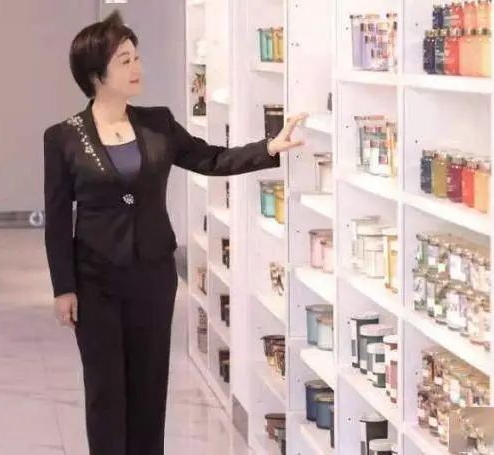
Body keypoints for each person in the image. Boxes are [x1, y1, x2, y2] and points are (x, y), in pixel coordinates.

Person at [43, 11, 305, 455]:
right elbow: (55, 217)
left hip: (152, 275)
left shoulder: (157, 123)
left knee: (149, 388)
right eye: (124, 60)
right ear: (95, 74)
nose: (136, 67)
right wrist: (63, 287)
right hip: (94, 280)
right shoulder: (63, 137)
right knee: (105, 392)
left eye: (136, 57)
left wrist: (268, 149)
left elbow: (210, 158)